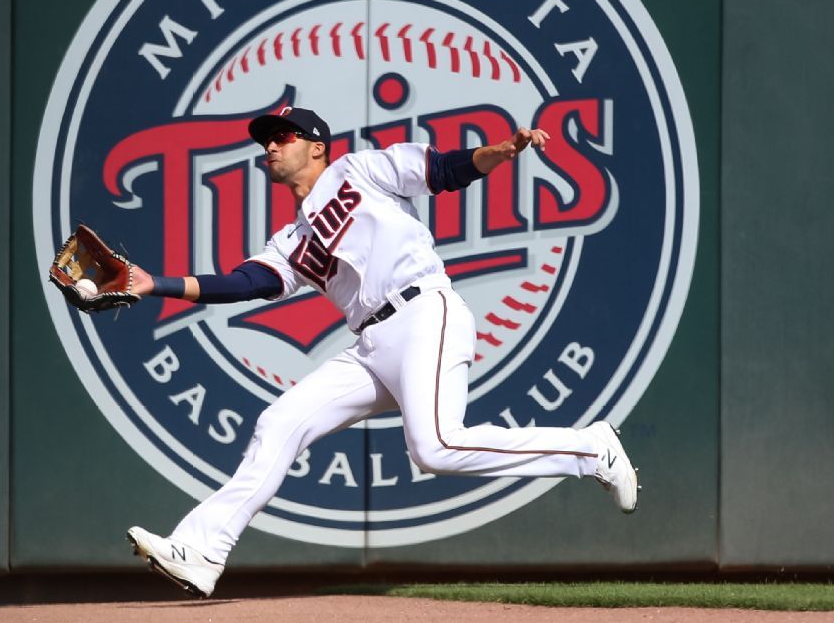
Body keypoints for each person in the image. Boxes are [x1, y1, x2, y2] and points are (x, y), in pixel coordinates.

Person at [124, 107, 638, 598]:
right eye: (265, 141)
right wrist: (154, 284)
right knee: (279, 423)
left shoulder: (359, 169)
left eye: (282, 137)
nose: (270, 147)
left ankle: (591, 449)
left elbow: (441, 170)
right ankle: (201, 549)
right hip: (371, 345)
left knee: (436, 447)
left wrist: (500, 151)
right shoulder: (291, 239)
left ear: (316, 147)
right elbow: (246, 283)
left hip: (423, 311)